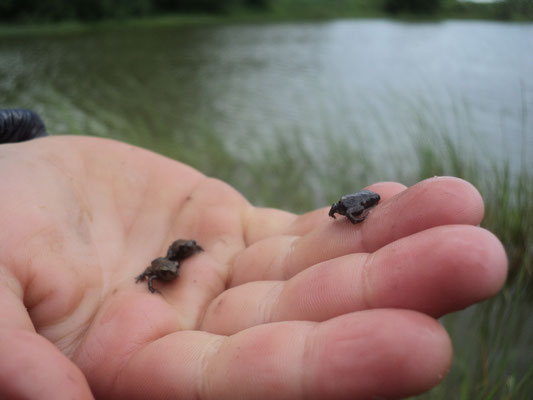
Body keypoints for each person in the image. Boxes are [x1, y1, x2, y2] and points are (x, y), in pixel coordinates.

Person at [0, 134, 507, 399]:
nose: (175, 274)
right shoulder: (160, 270)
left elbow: (179, 250)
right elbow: (163, 265)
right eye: (171, 271)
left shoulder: (174, 258)